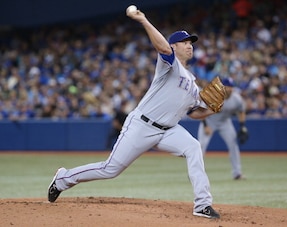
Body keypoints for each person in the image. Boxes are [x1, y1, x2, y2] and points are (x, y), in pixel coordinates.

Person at [48, 8, 224, 219]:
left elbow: (194, 113)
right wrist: (143, 20)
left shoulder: (194, 85)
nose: (189, 45)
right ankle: (63, 178)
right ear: (174, 46)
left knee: (194, 147)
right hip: (142, 125)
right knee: (110, 169)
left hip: (169, 130)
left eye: (191, 42)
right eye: (184, 41)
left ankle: (202, 205)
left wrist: (210, 111)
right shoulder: (170, 65)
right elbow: (161, 47)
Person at [198, 78, 249, 180]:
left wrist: (242, 126)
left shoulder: (236, 98)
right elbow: (200, 110)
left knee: (233, 145)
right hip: (209, 121)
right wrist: (205, 125)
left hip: (225, 122)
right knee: (200, 147)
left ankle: (237, 173)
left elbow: (241, 111)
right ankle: (197, 174)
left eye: (231, 87)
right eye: (227, 86)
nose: (229, 89)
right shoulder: (213, 95)